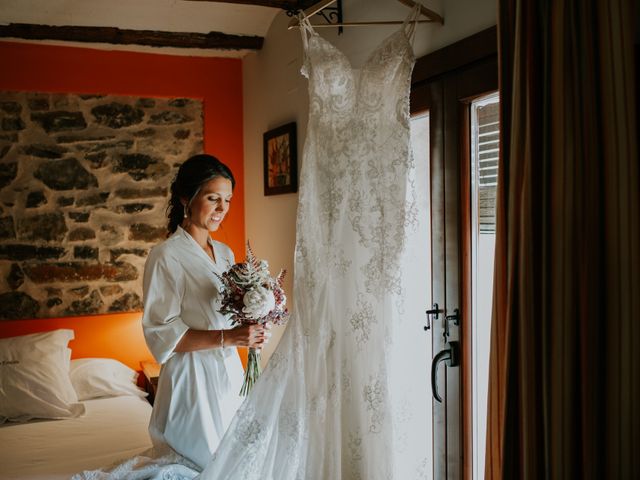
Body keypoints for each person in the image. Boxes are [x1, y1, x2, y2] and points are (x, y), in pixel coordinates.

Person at [141, 153, 270, 470]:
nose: (222, 208)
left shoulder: (225, 253)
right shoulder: (166, 257)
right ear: (187, 197)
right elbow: (162, 335)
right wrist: (231, 336)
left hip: (228, 371)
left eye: (227, 199)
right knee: (207, 463)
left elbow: (229, 311)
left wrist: (253, 323)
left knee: (236, 460)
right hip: (192, 378)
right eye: (213, 198)